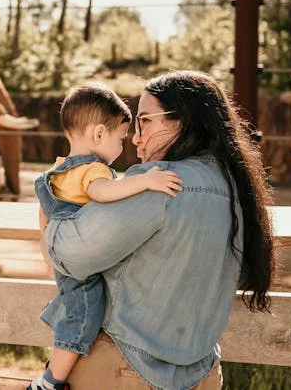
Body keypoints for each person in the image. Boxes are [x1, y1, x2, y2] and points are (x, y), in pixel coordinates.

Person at [40, 71, 277, 390]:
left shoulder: (160, 183)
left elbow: (70, 255)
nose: (136, 137)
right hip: (202, 374)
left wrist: (49, 208)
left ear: (180, 121)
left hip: (126, 372)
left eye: (145, 121)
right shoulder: (236, 189)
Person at [29, 82, 184, 390]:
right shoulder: (93, 171)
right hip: (83, 269)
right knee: (82, 319)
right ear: (99, 134)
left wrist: (47, 254)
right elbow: (103, 193)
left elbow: (44, 213)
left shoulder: (58, 172)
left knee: (74, 310)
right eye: (121, 137)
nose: (125, 145)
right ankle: (50, 382)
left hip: (66, 261)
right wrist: (146, 182)